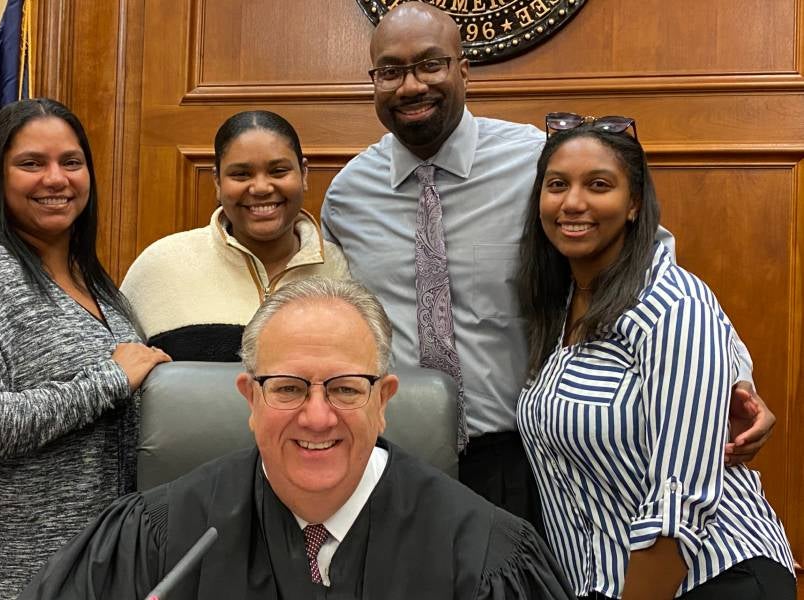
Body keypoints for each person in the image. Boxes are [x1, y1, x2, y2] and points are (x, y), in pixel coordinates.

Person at [320, 1, 775, 524]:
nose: (411, 86)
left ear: (462, 69)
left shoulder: (540, 163)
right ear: (374, 80)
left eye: (430, 64)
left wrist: (735, 379)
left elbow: (653, 266)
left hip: (528, 462)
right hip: (399, 461)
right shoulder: (348, 196)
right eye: (391, 71)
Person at [19, 277, 575, 600]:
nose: (316, 418)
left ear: (383, 401)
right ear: (249, 399)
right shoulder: (156, 541)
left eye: (345, 389)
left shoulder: (484, 558)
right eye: (286, 388)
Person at [516, 114, 795, 600]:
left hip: (711, 578)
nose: (573, 202)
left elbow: (677, 508)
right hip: (611, 583)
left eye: (598, 184)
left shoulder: (672, 306)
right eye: (557, 184)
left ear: (634, 205)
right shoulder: (561, 305)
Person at [0, 98, 172, 600]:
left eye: (71, 162)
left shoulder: (98, 286)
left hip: (90, 574)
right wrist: (109, 381)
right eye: (32, 163)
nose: (56, 179)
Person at [121, 110, 348, 361]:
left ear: (304, 174)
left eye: (279, 171)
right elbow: (121, 377)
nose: (261, 187)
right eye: (241, 174)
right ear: (217, 181)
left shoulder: (345, 270)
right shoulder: (159, 267)